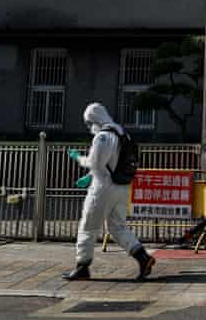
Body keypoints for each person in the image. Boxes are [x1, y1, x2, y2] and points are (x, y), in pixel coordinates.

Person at [63, 103, 155, 281]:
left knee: (88, 226)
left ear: (94, 119)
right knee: (117, 227)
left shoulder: (103, 137)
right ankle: (143, 258)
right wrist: (91, 175)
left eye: (89, 123)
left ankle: (82, 266)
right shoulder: (122, 133)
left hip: (102, 188)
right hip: (121, 187)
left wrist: (78, 158)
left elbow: (95, 163)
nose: (89, 127)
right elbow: (109, 163)